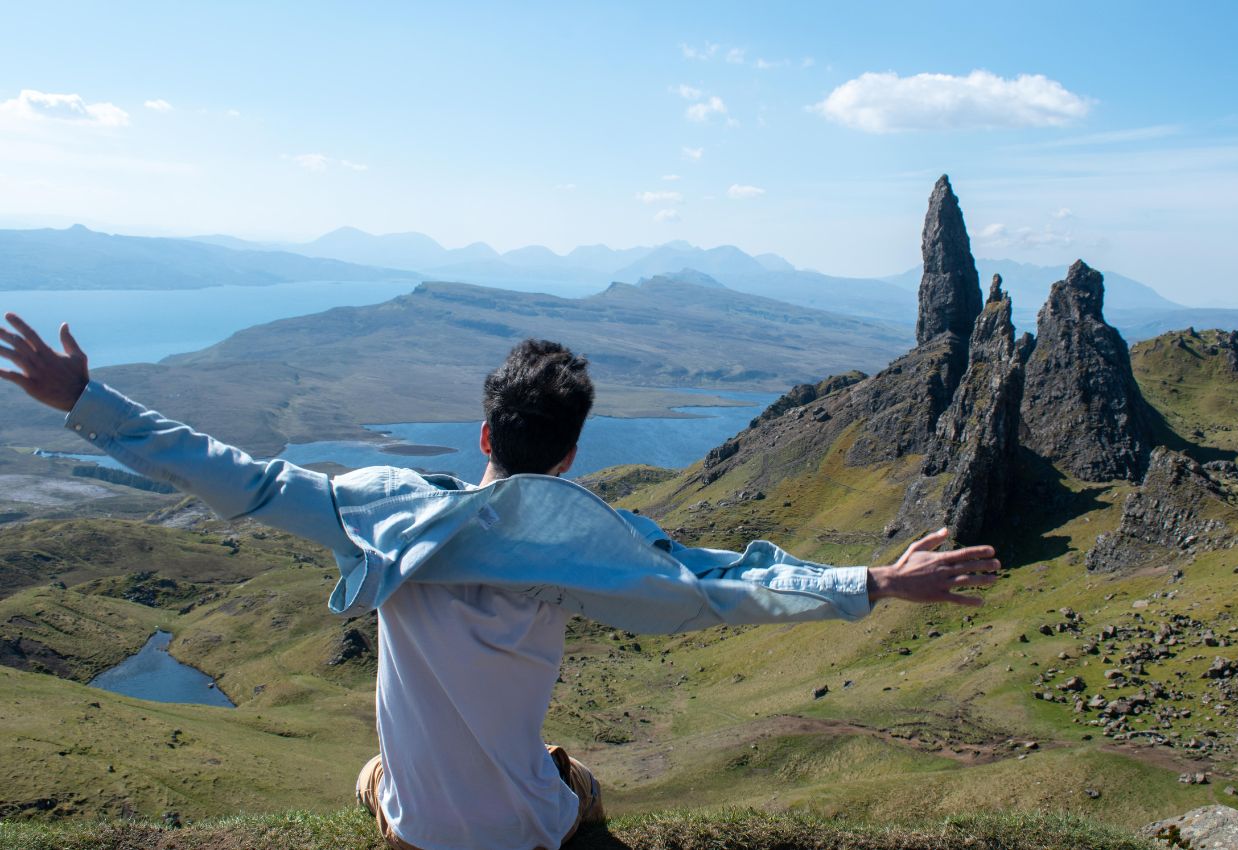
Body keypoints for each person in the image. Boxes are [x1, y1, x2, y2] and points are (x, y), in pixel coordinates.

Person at [0, 313, 1000, 850]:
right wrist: (875, 579)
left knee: (392, 778)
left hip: (420, 830)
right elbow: (721, 583)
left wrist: (86, 398)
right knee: (573, 790)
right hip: (526, 832)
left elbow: (237, 476)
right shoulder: (583, 546)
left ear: (481, 436)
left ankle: (382, 784)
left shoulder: (378, 512)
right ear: (566, 460)